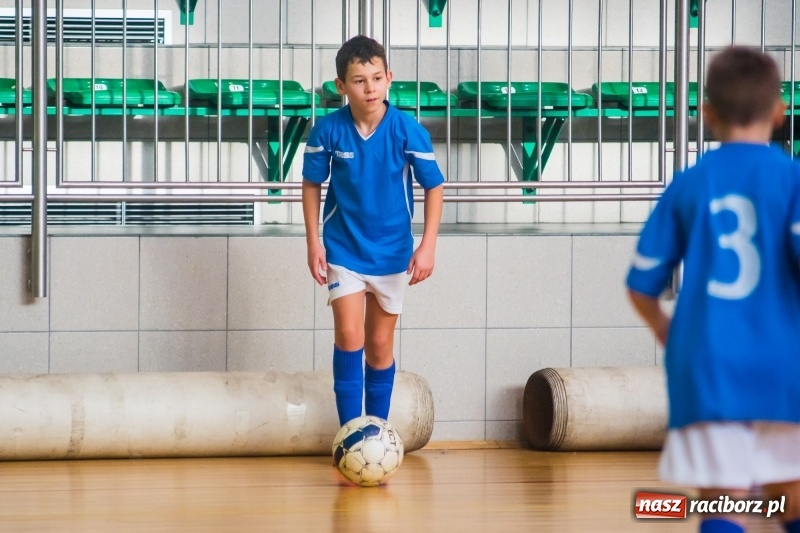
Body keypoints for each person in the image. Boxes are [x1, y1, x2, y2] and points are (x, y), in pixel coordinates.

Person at [626, 46, 800, 533]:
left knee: (725, 503)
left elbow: (641, 284)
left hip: (708, 363)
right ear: (779, 111)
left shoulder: (689, 184)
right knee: (790, 498)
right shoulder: (792, 179)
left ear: (706, 113)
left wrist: (664, 328)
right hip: (785, 362)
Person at [302, 35, 445, 429]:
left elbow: (434, 186)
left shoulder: (407, 130)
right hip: (343, 249)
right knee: (350, 336)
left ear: (389, 78)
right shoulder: (328, 131)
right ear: (341, 85)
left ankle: (376, 433)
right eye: (359, 80)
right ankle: (350, 435)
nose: (370, 88)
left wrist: (428, 246)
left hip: (392, 253)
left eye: (377, 78)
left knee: (379, 346)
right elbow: (311, 185)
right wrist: (313, 242)